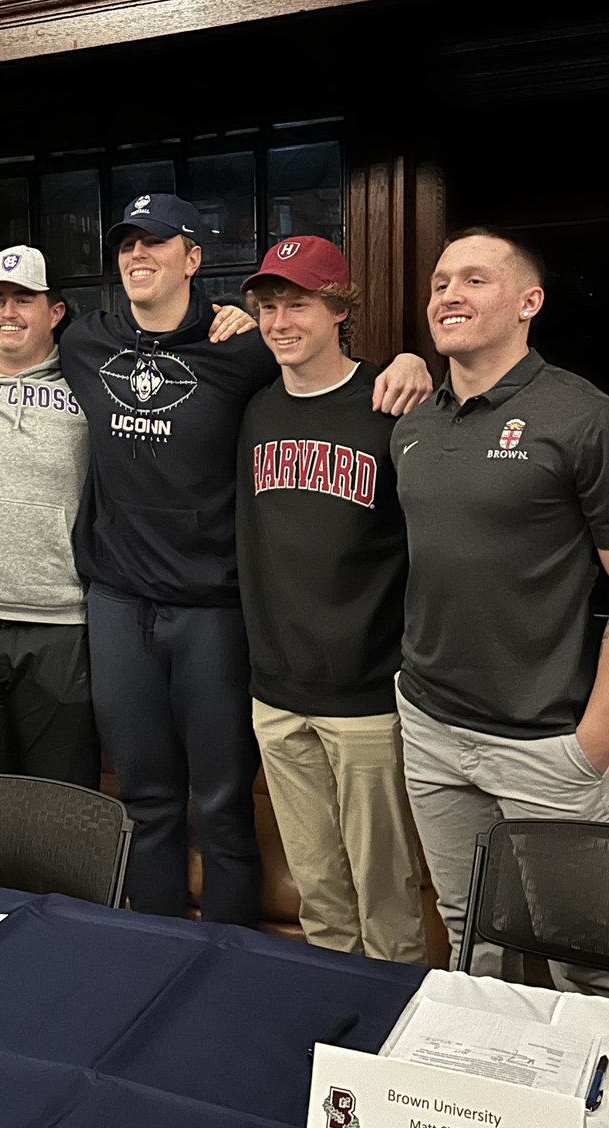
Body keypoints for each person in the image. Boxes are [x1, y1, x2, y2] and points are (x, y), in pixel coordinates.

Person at [0, 193, 432, 926]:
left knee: (223, 804)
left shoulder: (246, 345)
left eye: (156, 245)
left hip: (214, 612)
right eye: (127, 246)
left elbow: (328, 364)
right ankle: (153, 951)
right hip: (117, 603)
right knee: (145, 800)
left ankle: (228, 960)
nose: (137, 257)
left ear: (193, 260)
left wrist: (411, 362)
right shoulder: (88, 341)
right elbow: (16, 339)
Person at [392, 227, 609, 998]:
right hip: (432, 726)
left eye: (474, 280)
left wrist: (595, 739)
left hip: (548, 742)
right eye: (441, 281)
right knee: (469, 936)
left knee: (588, 960)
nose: (449, 293)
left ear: (528, 303)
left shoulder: (590, 422)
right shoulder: (414, 423)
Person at [235, 236, 426, 963]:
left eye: (300, 304)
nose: (281, 321)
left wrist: (418, 363)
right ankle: (330, 1027)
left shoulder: (391, 402)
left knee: (386, 898)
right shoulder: (254, 412)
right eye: (270, 306)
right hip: (276, 693)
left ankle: (395, 1046)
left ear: (339, 309)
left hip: (367, 695)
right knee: (317, 889)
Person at [0, 246, 100, 787]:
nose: (8, 312)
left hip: (58, 622)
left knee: (60, 796)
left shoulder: (92, 383)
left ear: (55, 312)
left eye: (24, 299)